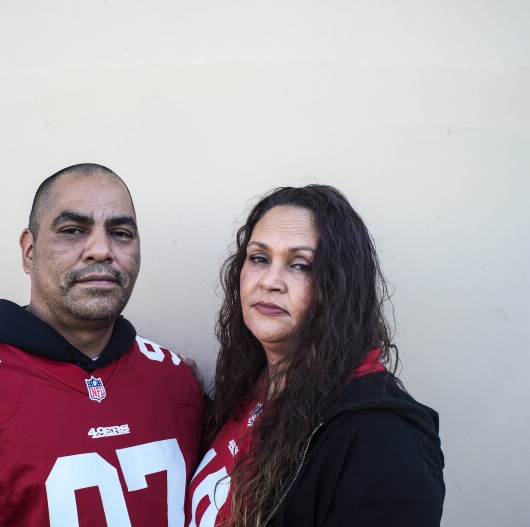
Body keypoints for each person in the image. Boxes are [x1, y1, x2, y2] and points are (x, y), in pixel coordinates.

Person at [0, 163, 203, 526]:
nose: (101, 250)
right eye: (73, 230)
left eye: (121, 233)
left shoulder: (176, 381)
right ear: (29, 252)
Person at [186, 185, 445, 526]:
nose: (270, 281)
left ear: (341, 286)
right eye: (259, 258)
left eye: (301, 265)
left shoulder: (384, 444)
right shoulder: (250, 387)